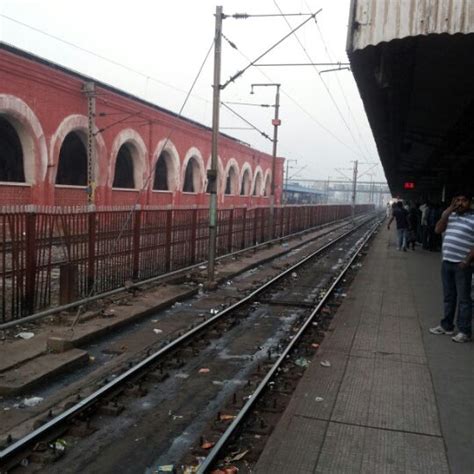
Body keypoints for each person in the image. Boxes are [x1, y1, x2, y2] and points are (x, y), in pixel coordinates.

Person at [429, 192, 474, 343]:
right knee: (449, 297)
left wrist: (467, 261)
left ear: (470, 203)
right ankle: (447, 326)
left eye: (464, 200)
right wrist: (448, 211)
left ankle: (464, 331)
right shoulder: (450, 216)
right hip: (447, 262)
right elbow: (437, 230)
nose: (460, 203)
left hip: (462, 265)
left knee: (464, 299)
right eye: (458, 200)